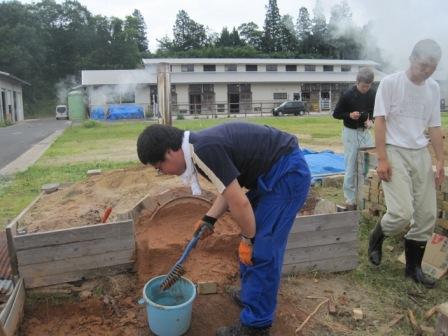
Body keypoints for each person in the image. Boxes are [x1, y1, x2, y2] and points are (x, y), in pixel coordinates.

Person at [137, 122, 311, 336]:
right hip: (271, 173)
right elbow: (230, 187)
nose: (162, 172)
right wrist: (209, 218)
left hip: (286, 175)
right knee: (252, 244)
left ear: (170, 153)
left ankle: (256, 326)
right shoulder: (197, 148)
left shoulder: (203, 150)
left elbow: (240, 203)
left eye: (159, 167)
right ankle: (251, 296)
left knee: (261, 250)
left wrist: (249, 238)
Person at [368, 39, 444, 288]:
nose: (427, 70)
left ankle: (413, 269)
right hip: (394, 150)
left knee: (427, 216)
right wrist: (382, 158)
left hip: (419, 151)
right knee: (401, 213)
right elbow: (380, 121)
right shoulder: (391, 83)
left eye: (433, 66)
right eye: (423, 65)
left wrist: (440, 159)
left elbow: (434, 126)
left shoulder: (433, 88)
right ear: (411, 59)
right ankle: (377, 236)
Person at [333, 67, 376, 210]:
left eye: (368, 86)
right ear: (357, 82)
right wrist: (349, 115)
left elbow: (375, 112)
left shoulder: (373, 94)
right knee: (351, 164)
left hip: (365, 131)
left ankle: (366, 194)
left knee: (369, 162)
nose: (365, 89)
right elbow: (336, 114)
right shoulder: (347, 94)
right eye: (363, 86)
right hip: (350, 132)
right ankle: (350, 199)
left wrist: (371, 121)